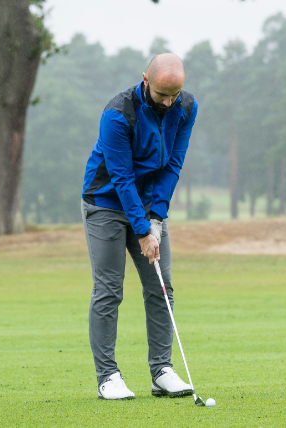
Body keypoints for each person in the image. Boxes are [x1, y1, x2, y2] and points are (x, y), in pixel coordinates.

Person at [80, 53, 198, 400]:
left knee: (161, 287)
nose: (168, 102)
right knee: (109, 288)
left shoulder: (186, 107)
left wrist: (156, 219)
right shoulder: (117, 114)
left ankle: (162, 371)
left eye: (174, 94)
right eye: (162, 94)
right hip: (105, 201)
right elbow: (121, 176)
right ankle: (108, 377)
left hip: (147, 205)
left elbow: (173, 164)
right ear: (145, 79)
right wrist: (142, 230)